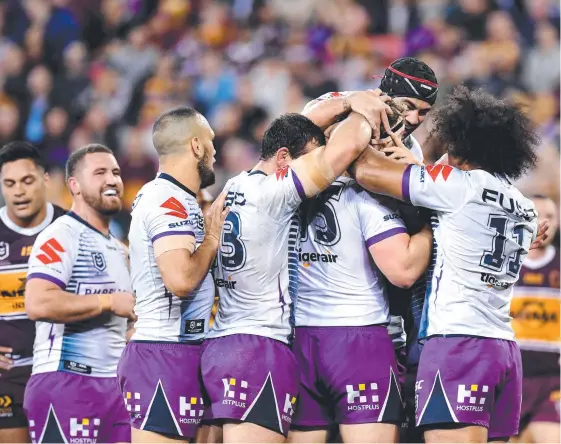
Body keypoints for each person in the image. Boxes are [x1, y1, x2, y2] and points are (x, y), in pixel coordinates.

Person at [349, 85, 540, 443]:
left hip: (458, 344)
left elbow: (366, 172)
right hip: (503, 349)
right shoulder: (524, 207)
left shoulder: (456, 185)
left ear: (461, 146)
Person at [201, 104, 379, 443]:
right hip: (258, 348)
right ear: (283, 158)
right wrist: (358, 104)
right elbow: (344, 150)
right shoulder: (275, 193)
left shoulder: (231, 188)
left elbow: (292, 131)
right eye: (307, 159)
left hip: (220, 344)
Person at [302, 56, 439, 443]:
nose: (414, 120)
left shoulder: (409, 147)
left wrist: (416, 177)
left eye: (424, 113)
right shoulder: (343, 104)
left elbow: (409, 222)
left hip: (366, 304)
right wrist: (351, 104)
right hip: (307, 305)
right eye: (409, 107)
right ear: (387, 93)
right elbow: (297, 125)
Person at [117, 106, 227, 443]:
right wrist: (210, 239)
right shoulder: (169, 201)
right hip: (164, 353)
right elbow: (179, 280)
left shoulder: (179, 199)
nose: (215, 150)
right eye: (210, 141)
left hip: (184, 350)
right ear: (196, 146)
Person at [23, 144, 135, 443]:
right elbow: (38, 301)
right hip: (66, 380)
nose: (112, 180)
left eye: (116, 172)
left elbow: (124, 320)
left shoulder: (121, 249)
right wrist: (109, 301)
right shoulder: (62, 234)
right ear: (74, 185)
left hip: (114, 388)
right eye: (99, 173)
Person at [0, 142, 65, 443]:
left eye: (27, 181)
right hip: (8, 375)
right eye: (9, 183)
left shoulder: (72, 228)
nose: (19, 191)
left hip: (63, 371)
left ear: (46, 180)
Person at [511, 195, 559, 444]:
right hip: (509, 381)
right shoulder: (503, 266)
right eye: (535, 215)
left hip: (552, 382)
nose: (544, 223)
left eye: (550, 216)